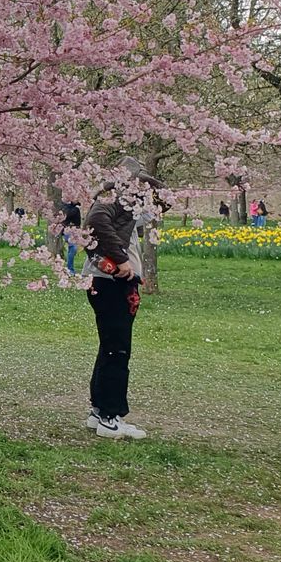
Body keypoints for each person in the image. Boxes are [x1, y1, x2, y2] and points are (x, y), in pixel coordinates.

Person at [82, 175, 159, 441]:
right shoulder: (109, 202)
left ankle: (99, 411)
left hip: (113, 284)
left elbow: (160, 203)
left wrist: (147, 184)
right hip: (111, 283)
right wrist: (121, 259)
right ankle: (109, 416)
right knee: (118, 350)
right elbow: (95, 222)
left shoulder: (125, 208)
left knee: (111, 348)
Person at [61, 199, 83, 271]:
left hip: (75, 230)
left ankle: (70, 268)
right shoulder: (66, 205)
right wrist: (76, 209)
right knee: (73, 247)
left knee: (72, 248)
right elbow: (67, 215)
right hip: (68, 230)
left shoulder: (76, 206)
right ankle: (70, 269)